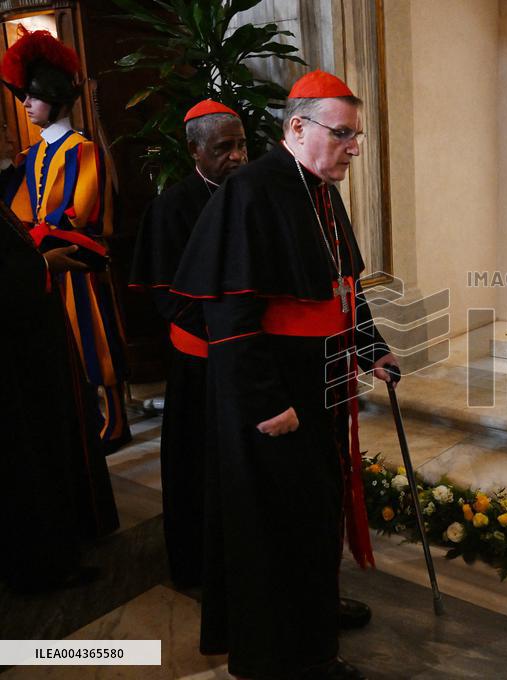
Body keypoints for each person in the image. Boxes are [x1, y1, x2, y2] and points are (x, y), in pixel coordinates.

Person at [172, 71, 397, 680]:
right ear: (298, 128)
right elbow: (230, 311)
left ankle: (314, 612)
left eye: (356, 134)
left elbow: (343, 287)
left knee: (315, 510)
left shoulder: (320, 188)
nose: (354, 147)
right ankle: (293, 653)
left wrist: (369, 347)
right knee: (279, 525)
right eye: (343, 134)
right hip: (276, 393)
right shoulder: (252, 189)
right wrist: (268, 401)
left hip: (316, 379)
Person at [129, 99, 248, 588]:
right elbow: (167, 295)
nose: (238, 156)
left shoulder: (255, 193)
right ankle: (200, 568)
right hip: (200, 361)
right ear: (194, 149)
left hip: (246, 355)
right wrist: (225, 330)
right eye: (225, 147)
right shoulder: (172, 206)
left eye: (243, 144)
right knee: (199, 470)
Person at [0, 27, 131, 453]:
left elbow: (81, 213)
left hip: (78, 259)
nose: (25, 105)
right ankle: (85, 416)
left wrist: (38, 233)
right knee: (66, 344)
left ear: (54, 97)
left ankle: (115, 421)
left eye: (32, 97)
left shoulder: (83, 150)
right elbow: (21, 208)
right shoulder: (32, 153)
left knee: (95, 338)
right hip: (44, 262)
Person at [0, 192, 118, 592]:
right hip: (17, 360)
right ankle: (42, 566)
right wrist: (42, 265)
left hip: (33, 345)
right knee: (28, 456)